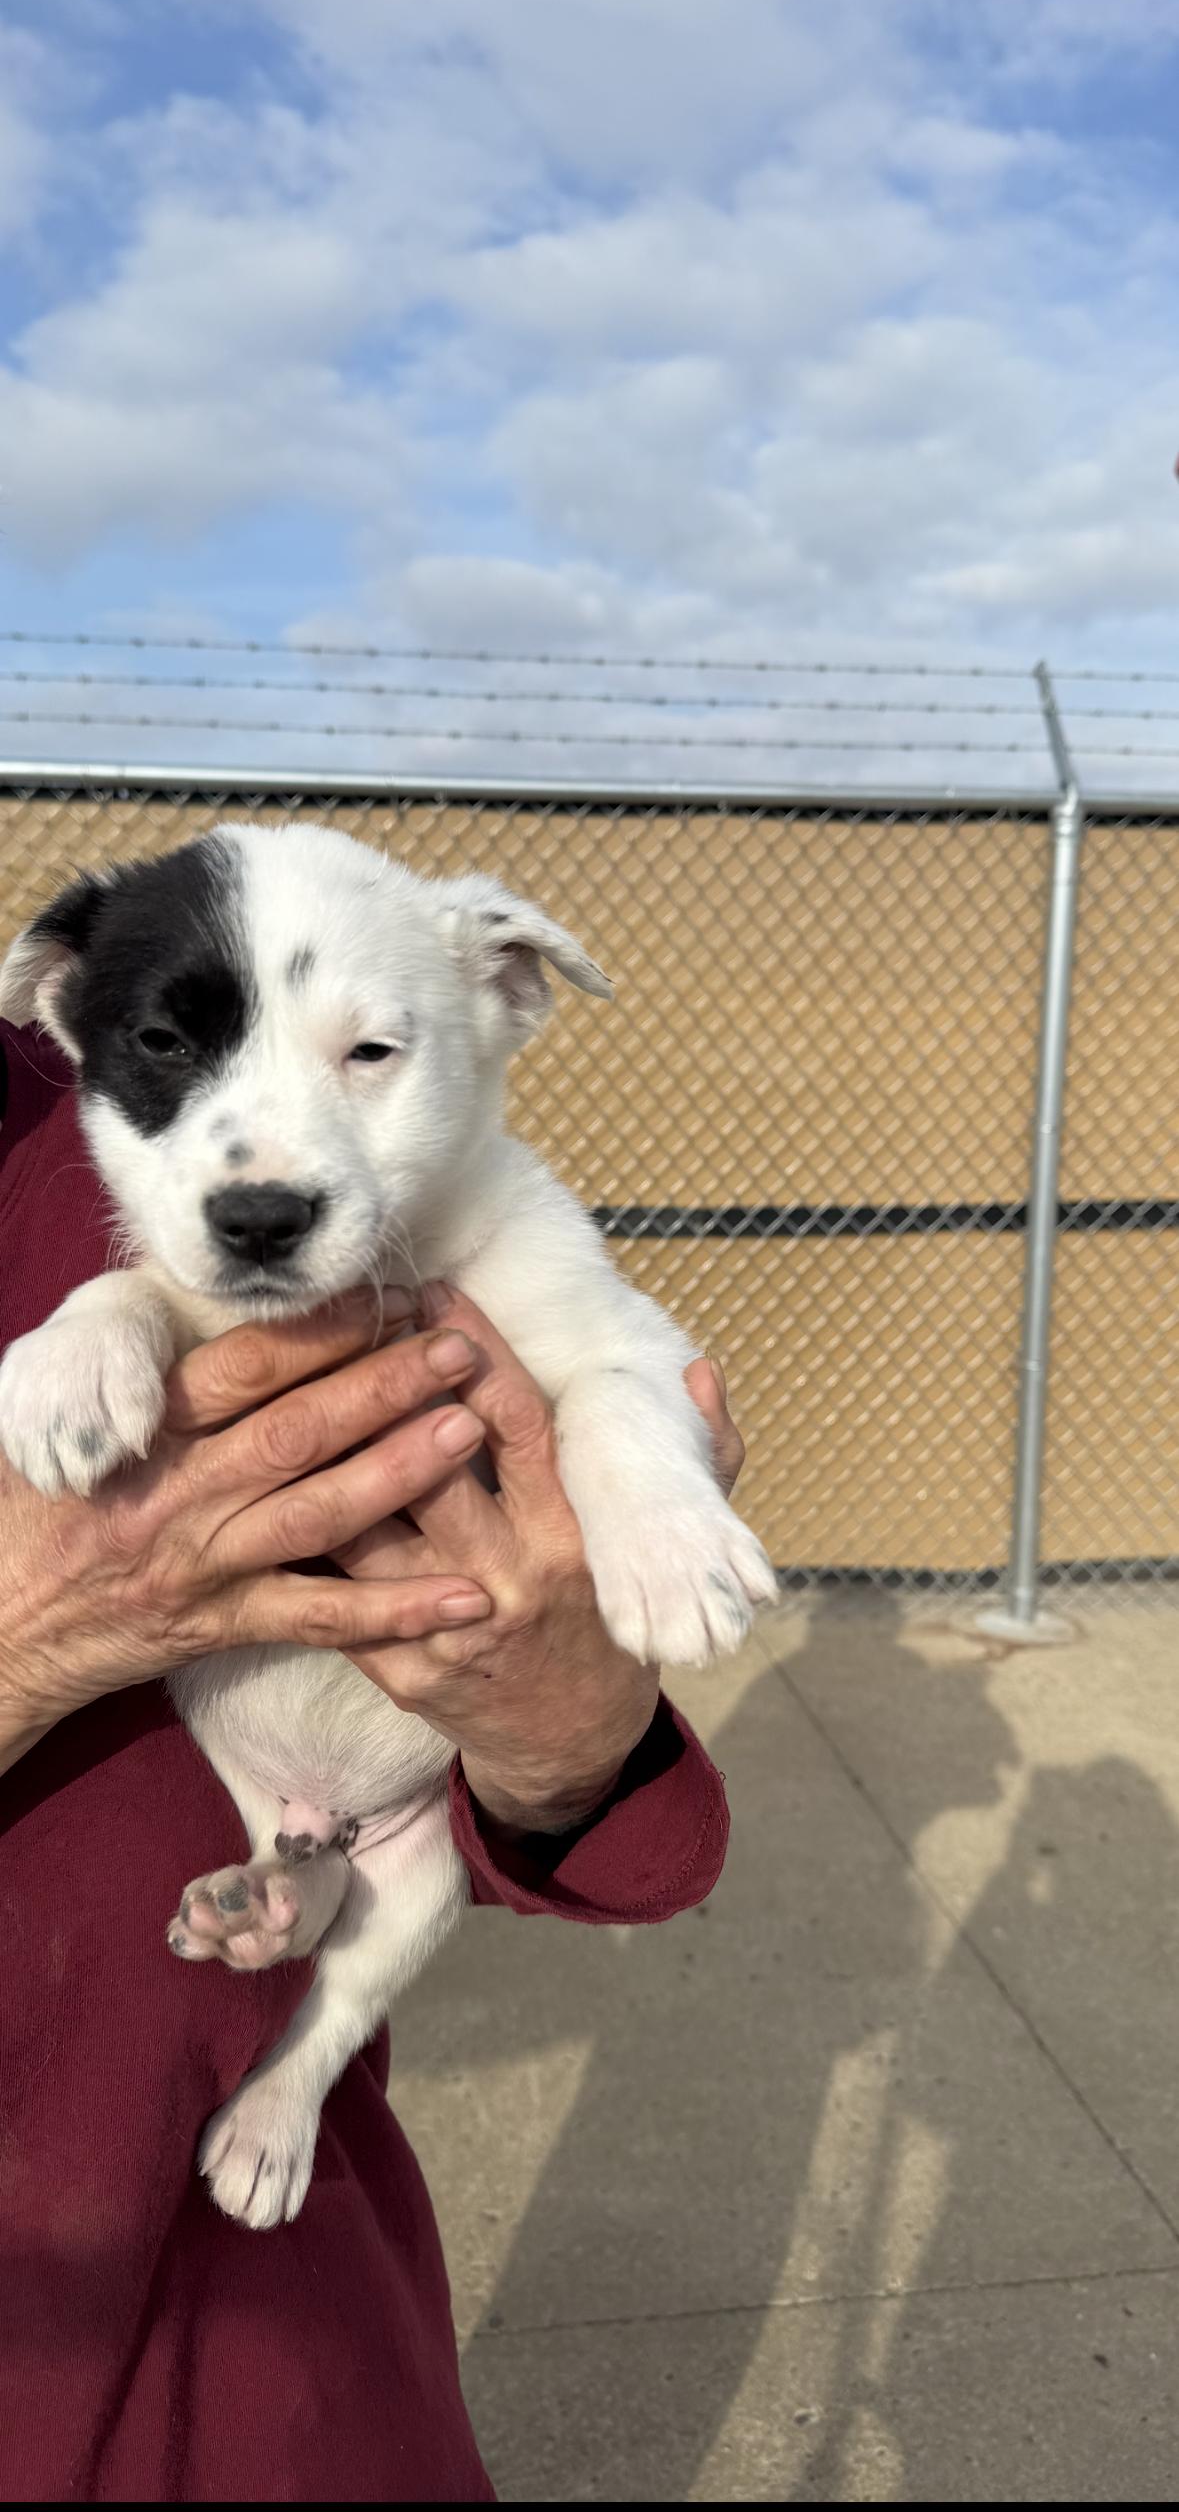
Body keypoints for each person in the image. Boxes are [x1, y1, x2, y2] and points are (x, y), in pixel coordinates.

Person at [0, 1017, 736, 2504]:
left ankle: (299, 1957)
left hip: (273, 2329)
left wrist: (575, 1724)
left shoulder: (88, 1107)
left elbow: (622, 1817)